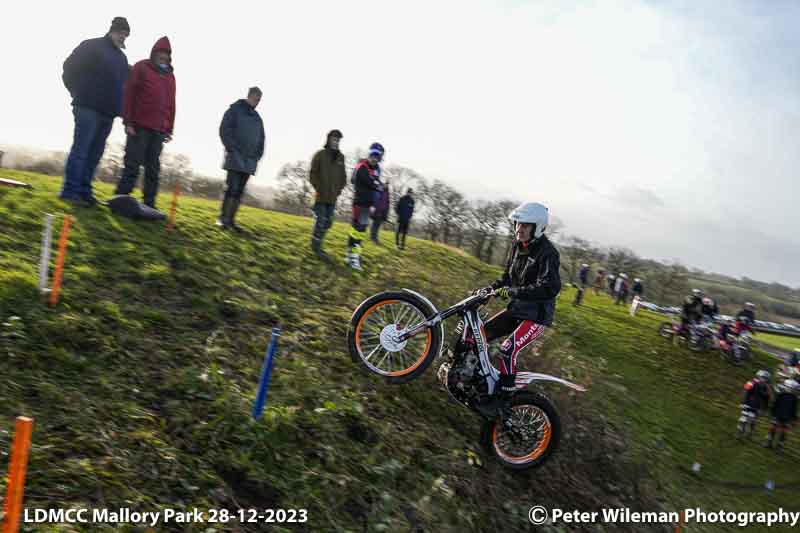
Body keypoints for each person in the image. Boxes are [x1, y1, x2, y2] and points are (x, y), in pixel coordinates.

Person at [468, 202, 561, 419]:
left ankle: (502, 400)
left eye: (525, 226)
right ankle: (477, 381)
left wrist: (514, 291)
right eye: (518, 224)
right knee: (479, 336)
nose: (519, 229)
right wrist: (489, 290)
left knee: (508, 350)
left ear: (537, 227)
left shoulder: (548, 253)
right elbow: (506, 278)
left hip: (537, 316)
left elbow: (550, 287)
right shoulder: (517, 246)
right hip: (517, 309)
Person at [60, 17, 131, 206]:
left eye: (127, 34)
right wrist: (78, 92)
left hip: (108, 113)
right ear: (113, 30)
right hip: (87, 108)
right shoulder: (91, 46)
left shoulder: (122, 58)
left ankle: (84, 191)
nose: (124, 37)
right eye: (122, 32)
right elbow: (68, 68)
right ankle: (70, 191)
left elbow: (123, 85)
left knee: (95, 154)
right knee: (81, 150)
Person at [114, 36, 176, 209]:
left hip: (159, 130)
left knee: (153, 169)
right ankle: (120, 197)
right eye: (161, 53)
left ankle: (149, 203)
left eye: (166, 54)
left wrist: (169, 128)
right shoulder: (141, 67)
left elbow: (172, 103)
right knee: (132, 164)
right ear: (154, 53)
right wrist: (128, 121)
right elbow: (129, 95)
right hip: (139, 126)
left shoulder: (171, 76)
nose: (163, 57)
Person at [216, 87, 266, 231]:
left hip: (250, 161)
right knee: (231, 188)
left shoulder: (257, 118)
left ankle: (231, 221)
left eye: (259, 100)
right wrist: (232, 148)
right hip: (235, 157)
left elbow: (261, 139)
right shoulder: (234, 110)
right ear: (249, 96)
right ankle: (222, 219)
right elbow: (224, 129)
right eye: (256, 99)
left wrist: (257, 156)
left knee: (239, 192)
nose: (257, 102)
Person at [308, 129, 346, 260]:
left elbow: (343, 177)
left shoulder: (341, 157)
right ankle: (316, 247)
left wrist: (338, 191)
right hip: (320, 196)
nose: (336, 142)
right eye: (334, 139)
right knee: (321, 220)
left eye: (338, 140)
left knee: (328, 223)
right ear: (328, 139)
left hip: (333, 198)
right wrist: (319, 188)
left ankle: (317, 242)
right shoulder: (320, 155)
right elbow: (312, 174)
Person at [347, 143, 384, 270]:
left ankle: (351, 255)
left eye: (377, 156)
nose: (375, 158)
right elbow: (371, 183)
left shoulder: (374, 169)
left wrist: (376, 184)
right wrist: (376, 184)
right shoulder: (362, 167)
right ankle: (354, 259)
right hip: (360, 204)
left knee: (357, 231)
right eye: (373, 155)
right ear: (369, 155)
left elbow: (376, 184)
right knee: (359, 232)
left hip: (367, 205)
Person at [765, 379, 798, 450]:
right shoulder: (781, 395)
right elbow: (775, 404)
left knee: (784, 430)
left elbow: (794, 409)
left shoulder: (794, 398)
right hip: (778, 414)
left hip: (786, 416)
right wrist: (772, 412)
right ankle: (769, 441)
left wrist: (794, 419)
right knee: (774, 427)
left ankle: (780, 444)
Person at [370, 176, 390, 244]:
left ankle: (375, 238)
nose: (387, 185)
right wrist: (374, 209)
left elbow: (387, 203)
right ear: (383, 183)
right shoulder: (379, 189)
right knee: (375, 225)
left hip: (383, 212)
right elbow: (375, 199)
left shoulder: (387, 192)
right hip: (377, 210)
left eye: (387, 184)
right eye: (386, 183)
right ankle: (373, 238)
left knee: (378, 226)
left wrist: (386, 213)